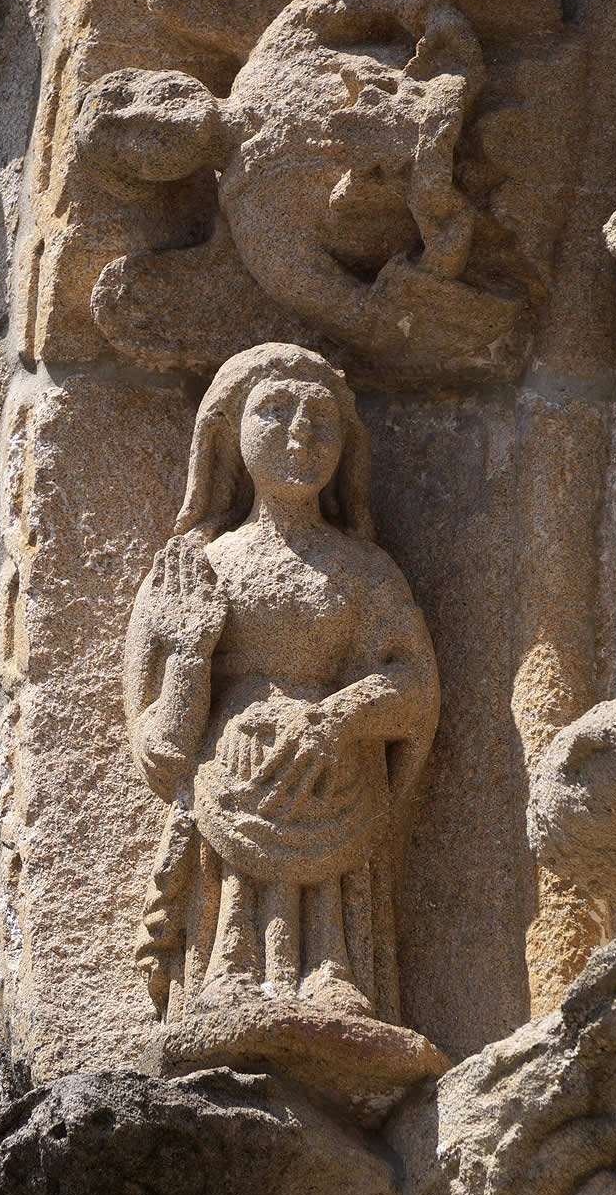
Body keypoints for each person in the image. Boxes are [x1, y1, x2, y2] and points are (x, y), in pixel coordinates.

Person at [124, 343, 439, 1024]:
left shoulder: (364, 570)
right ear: (230, 433)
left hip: (338, 784)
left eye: (321, 419)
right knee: (234, 912)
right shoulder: (195, 569)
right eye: (275, 410)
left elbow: (415, 687)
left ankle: (333, 969)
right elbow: (162, 751)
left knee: (331, 925)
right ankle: (228, 966)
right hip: (231, 787)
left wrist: (336, 719)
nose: (300, 433)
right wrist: (187, 653)